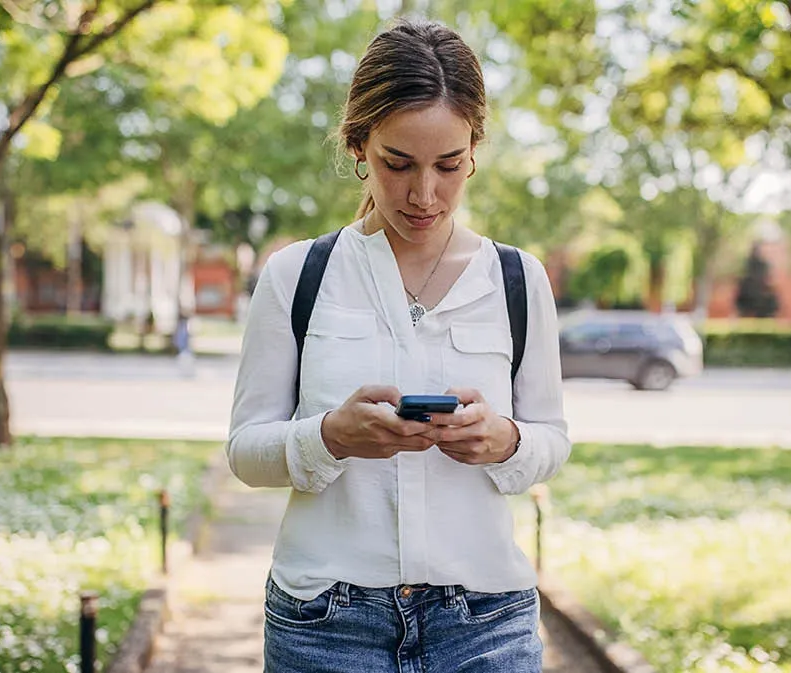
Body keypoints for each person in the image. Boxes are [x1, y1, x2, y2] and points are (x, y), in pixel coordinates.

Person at [227, 18, 570, 673]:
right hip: (326, 624)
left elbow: (552, 435)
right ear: (359, 145)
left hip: (485, 624)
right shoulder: (297, 275)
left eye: (448, 165)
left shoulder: (518, 280)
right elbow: (245, 451)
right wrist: (329, 435)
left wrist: (505, 441)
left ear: (475, 149)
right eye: (397, 163)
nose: (424, 194)